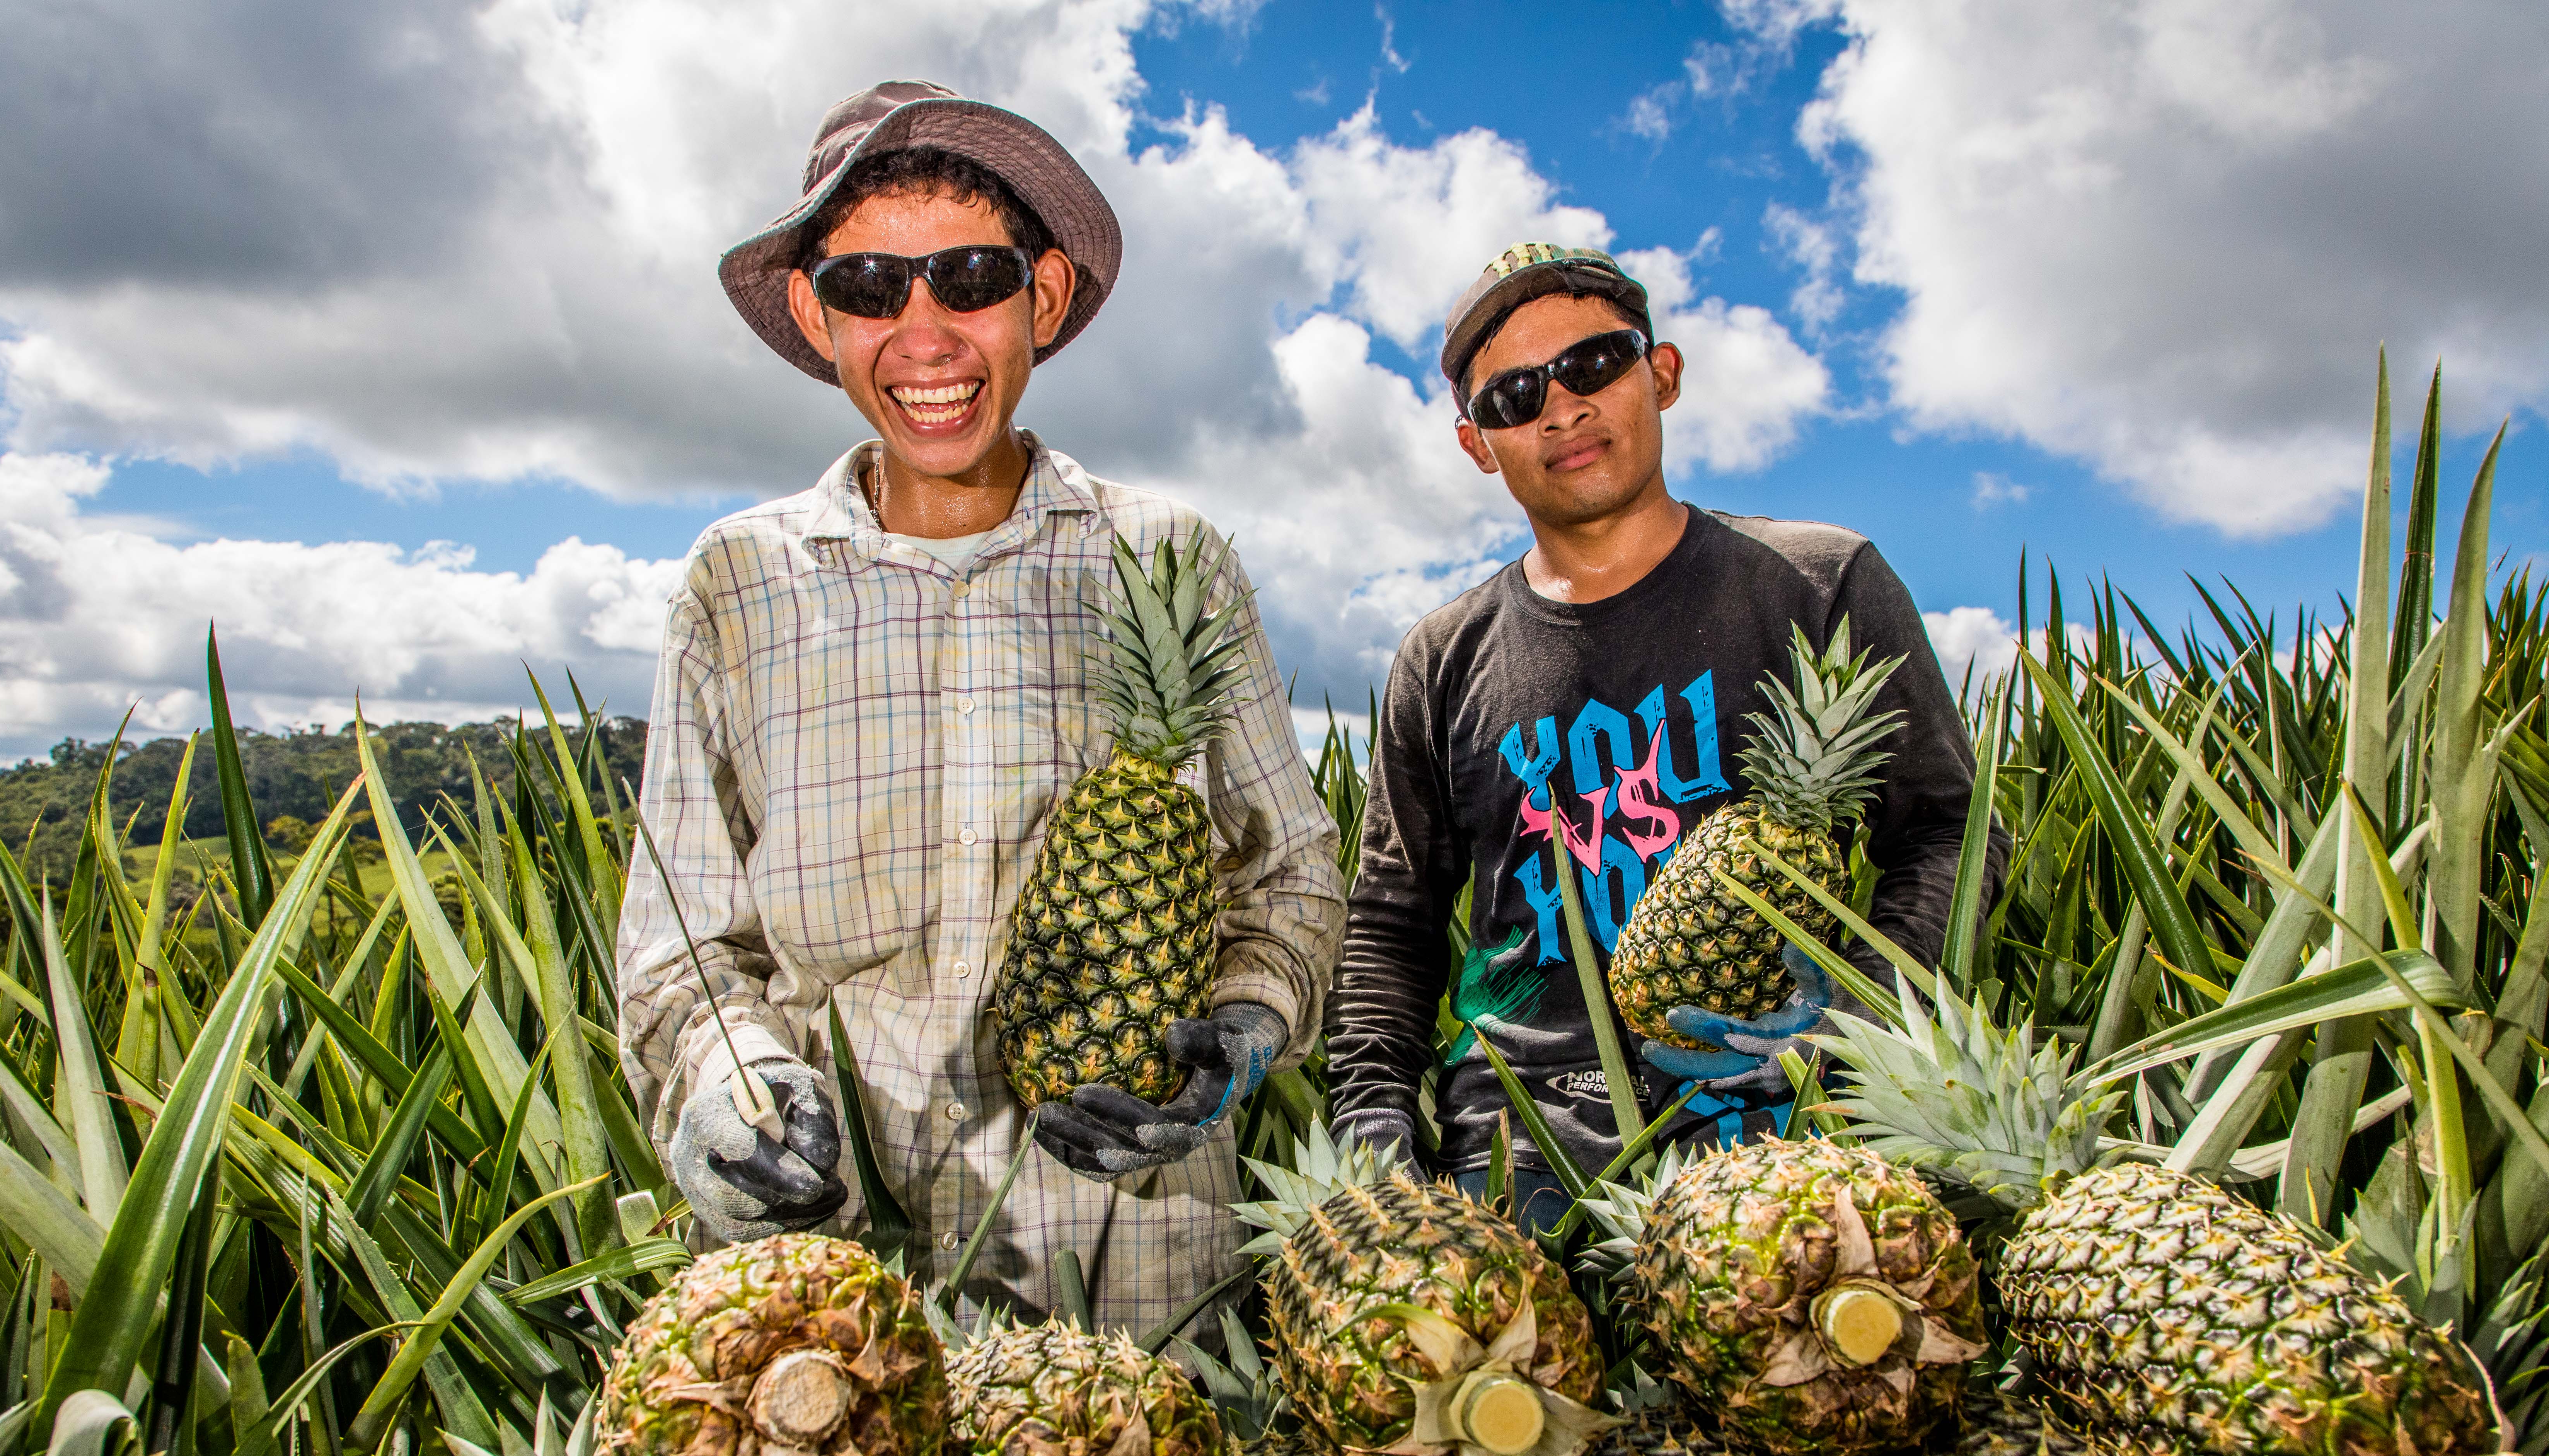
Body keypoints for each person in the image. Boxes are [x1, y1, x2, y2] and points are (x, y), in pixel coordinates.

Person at [616, 81, 1343, 1337]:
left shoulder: (1171, 561)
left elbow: (1291, 877)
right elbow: (680, 942)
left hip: (1130, 1283)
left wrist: (1244, 1027)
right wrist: (730, 1085)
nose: (926, 334)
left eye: (969, 277)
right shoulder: (737, 582)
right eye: (867, 289)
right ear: (814, 313)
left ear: (1042, 298)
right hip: (835, 1291)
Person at [1326, 243, 2002, 1229]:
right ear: (1479, 444)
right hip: (1516, 1161)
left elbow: (1947, 832)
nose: (1562, 408)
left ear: (1664, 372)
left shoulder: (1820, 583)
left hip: (1781, 1136)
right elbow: (1393, 920)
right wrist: (1376, 1111)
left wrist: (1854, 1025)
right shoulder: (1442, 656)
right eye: (1515, 396)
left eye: (1594, 364)